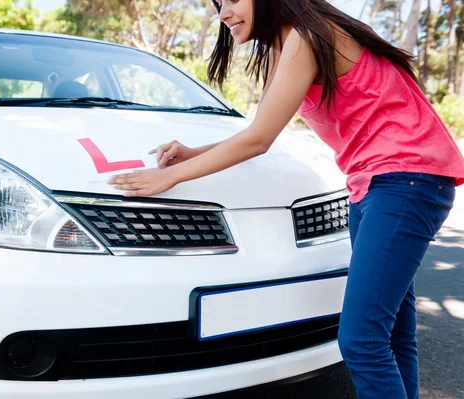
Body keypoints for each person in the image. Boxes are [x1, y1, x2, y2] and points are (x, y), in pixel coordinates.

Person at [107, 0, 464, 397]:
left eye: (232, 0)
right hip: (375, 185)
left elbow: (258, 141)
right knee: (393, 332)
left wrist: (169, 175)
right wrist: (195, 153)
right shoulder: (284, 46)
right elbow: (262, 130)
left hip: (405, 181)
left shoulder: (309, 34)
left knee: (362, 341)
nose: (223, 14)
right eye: (217, 5)